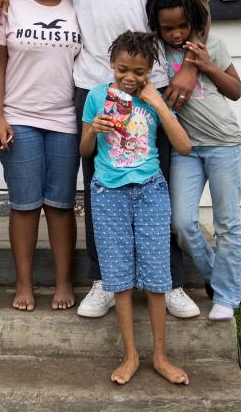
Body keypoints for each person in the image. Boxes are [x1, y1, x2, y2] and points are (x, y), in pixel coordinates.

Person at [0, 0, 215, 319]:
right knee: (100, 190)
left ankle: (168, 281)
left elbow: (199, 4)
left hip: (150, 87)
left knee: (157, 186)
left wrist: (191, 67)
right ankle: (104, 281)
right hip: (92, 81)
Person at [79, 31, 191, 386]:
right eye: (123, 69)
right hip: (108, 193)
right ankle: (131, 355)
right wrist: (93, 131)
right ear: (111, 65)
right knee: (119, 278)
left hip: (150, 192)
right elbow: (83, 151)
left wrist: (157, 103)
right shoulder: (97, 97)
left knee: (158, 277)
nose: (130, 77)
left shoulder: (155, 98)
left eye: (139, 71)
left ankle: (160, 356)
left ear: (150, 70)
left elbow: (184, 147)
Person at [0, 0, 81, 311]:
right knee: (25, 206)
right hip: (19, 119)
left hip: (65, 120)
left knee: (60, 206)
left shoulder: (77, 4)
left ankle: (63, 284)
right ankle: (23, 285)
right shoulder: (9, 6)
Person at [146, 0, 241, 321]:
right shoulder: (155, 53)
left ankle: (226, 297)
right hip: (185, 149)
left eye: (182, 26)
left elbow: (236, 91)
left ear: (193, 22)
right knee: (183, 223)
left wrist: (208, 65)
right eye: (167, 28)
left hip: (222, 144)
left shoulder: (211, 45)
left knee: (227, 223)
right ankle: (222, 277)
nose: (175, 33)